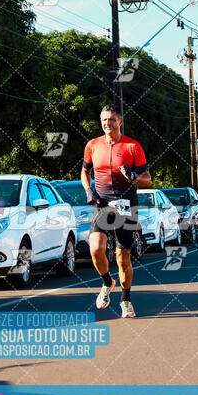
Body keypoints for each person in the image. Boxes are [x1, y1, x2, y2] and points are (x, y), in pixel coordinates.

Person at [81, 104, 152, 317]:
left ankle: (125, 300)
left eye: (111, 119)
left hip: (126, 206)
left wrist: (133, 177)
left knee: (123, 257)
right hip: (102, 204)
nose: (107, 123)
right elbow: (85, 172)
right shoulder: (93, 145)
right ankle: (106, 282)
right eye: (104, 119)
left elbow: (147, 180)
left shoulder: (133, 147)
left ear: (120, 121)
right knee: (95, 250)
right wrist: (88, 190)